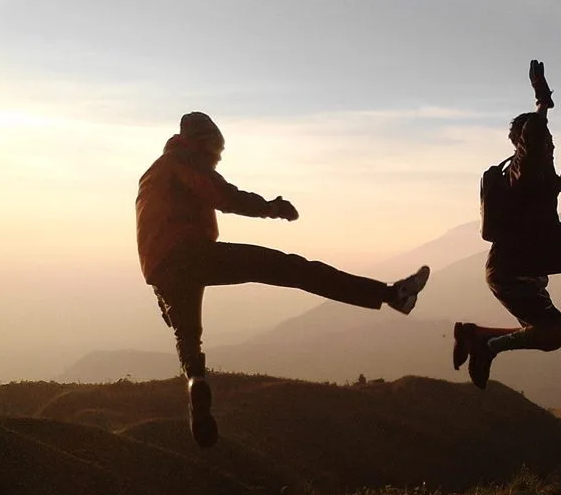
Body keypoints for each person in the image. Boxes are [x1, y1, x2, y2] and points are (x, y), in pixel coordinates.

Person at [136, 112, 430, 448]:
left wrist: (163, 292)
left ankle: (196, 384)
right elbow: (224, 195)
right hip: (189, 254)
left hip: (160, 270)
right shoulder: (183, 159)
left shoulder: (154, 173)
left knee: (188, 338)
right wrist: (271, 208)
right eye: (215, 153)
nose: (216, 161)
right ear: (202, 144)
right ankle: (393, 295)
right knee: (291, 268)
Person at [453, 61, 561, 389]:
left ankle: (476, 336)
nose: (552, 145)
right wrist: (541, 102)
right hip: (512, 273)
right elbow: (535, 138)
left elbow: (537, 150)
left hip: (516, 272)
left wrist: (543, 106)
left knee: (549, 334)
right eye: (546, 141)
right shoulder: (524, 170)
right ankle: (485, 345)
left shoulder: (530, 173)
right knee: (554, 332)